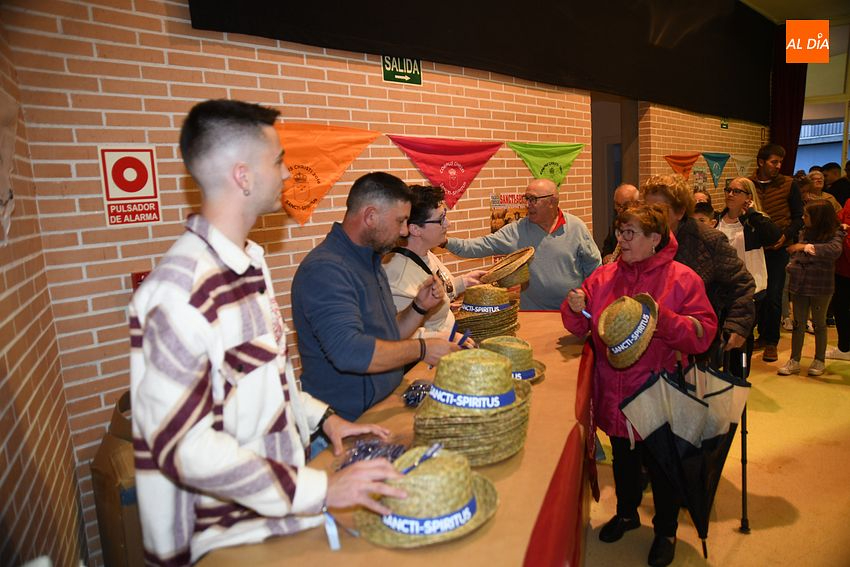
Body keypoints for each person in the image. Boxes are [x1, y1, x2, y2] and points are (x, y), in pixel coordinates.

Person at [129, 100, 406, 564]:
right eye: (277, 160)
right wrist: (321, 486)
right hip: (222, 540)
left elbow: (262, 381)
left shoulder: (249, 264)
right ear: (243, 175)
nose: (286, 172)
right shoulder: (178, 292)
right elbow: (186, 448)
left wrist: (323, 418)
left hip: (274, 518)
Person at [562, 203, 717, 567]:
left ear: (654, 239)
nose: (621, 239)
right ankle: (628, 514)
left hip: (656, 392)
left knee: (662, 468)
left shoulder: (682, 279)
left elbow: (702, 335)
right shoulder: (603, 277)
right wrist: (576, 306)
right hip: (612, 392)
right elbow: (581, 325)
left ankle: (665, 530)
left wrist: (663, 321)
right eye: (619, 231)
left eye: (630, 233)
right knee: (624, 462)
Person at [292, 172, 461, 422]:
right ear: (370, 216)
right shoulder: (326, 270)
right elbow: (351, 352)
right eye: (400, 221)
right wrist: (422, 349)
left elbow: (387, 334)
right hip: (346, 421)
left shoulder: (371, 260)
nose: (404, 231)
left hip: (383, 406)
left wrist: (418, 308)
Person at [641, 174, 754, 365]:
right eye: (647, 209)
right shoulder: (642, 238)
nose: (651, 216)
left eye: (659, 210)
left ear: (680, 212)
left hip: (695, 343)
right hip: (653, 341)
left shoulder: (708, 240)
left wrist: (738, 325)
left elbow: (742, 282)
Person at [445, 178, 601, 310]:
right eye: (526, 199)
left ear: (552, 202)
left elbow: (594, 269)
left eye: (533, 199)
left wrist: (589, 298)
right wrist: (445, 242)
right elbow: (477, 246)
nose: (528, 204)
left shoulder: (576, 227)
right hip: (534, 314)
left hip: (573, 312)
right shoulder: (517, 231)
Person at [383, 185, 485, 341]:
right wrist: (446, 338)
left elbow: (439, 291)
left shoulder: (425, 253)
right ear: (416, 229)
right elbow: (397, 335)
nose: (448, 224)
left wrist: (464, 282)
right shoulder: (398, 277)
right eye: (441, 219)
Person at [716, 177, 781, 374]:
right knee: (720, 335)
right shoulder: (716, 219)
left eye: (736, 191)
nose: (730, 194)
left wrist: (752, 214)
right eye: (728, 190)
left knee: (741, 337)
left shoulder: (756, 221)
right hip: (721, 288)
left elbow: (774, 238)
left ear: (748, 197)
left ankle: (739, 379)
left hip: (749, 288)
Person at [748, 143, 803, 362]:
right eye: (774, 162)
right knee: (755, 294)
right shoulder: (748, 184)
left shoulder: (790, 184)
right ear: (761, 162)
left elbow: (799, 217)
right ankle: (757, 336)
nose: (778, 166)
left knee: (773, 295)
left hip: (779, 249)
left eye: (780, 162)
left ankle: (771, 340)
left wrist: (785, 236)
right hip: (755, 248)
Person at [778, 201, 844, 376]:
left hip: (821, 286)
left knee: (819, 323)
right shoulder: (804, 232)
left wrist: (805, 249)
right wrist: (800, 257)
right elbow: (798, 256)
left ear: (818, 217)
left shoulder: (834, 233)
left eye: (806, 215)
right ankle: (794, 359)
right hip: (799, 284)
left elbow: (834, 251)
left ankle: (819, 359)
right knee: (798, 322)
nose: (803, 218)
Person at [827, 200, 850, 361]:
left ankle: (845, 347)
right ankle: (844, 347)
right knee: (841, 308)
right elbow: (837, 222)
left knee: (842, 308)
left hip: (844, 268)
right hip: (842, 268)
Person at [601, 183, 640, 263]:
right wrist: (607, 255)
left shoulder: (642, 225)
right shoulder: (616, 222)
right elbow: (608, 244)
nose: (619, 209)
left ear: (636, 204)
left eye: (625, 205)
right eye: (617, 204)